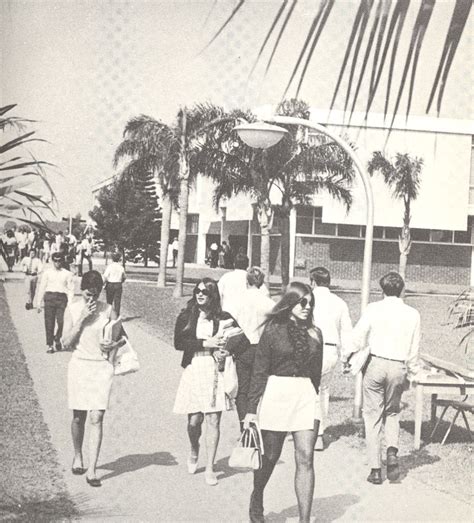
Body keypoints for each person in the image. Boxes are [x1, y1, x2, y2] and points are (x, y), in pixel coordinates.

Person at [243, 282, 323, 523]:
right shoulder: (273, 330)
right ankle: (257, 497)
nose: (307, 307)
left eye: (310, 303)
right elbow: (259, 370)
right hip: (277, 392)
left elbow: (316, 374)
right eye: (302, 302)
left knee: (306, 456)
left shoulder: (315, 333)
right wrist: (251, 409)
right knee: (270, 456)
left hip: (305, 395)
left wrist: (312, 396)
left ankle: (304, 519)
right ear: (290, 303)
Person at [348, 272, 421, 485]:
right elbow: (414, 349)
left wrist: (348, 356)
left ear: (382, 290)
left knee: (372, 417)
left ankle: (375, 469)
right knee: (393, 412)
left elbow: (358, 337)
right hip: (398, 366)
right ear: (402, 290)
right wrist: (413, 372)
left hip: (376, 364)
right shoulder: (413, 314)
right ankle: (392, 451)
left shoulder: (373, 308)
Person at [62, 270, 126, 487]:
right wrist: (82, 319)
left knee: (97, 416)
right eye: (88, 294)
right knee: (78, 416)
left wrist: (113, 345)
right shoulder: (72, 309)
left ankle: (92, 469)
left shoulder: (109, 310)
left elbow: (123, 338)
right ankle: (78, 455)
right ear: (82, 291)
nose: (91, 299)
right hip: (80, 365)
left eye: (96, 294)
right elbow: (65, 342)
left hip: (101, 368)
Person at [173, 278, 235, 486]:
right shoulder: (187, 315)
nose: (200, 294)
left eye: (205, 292)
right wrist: (204, 343)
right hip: (194, 367)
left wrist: (226, 351)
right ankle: (193, 448)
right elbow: (178, 343)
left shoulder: (223, 318)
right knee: (194, 422)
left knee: (213, 420)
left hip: (213, 370)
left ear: (212, 296)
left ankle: (210, 467)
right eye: (197, 291)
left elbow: (241, 339)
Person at [309, 266, 352, 450]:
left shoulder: (307, 299)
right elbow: (347, 332)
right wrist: (346, 358)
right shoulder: (340, 303)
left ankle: (307, 431)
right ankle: (319, 434)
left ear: (312, 281)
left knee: (307, 391)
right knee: (322, 391)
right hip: (330, 351)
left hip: (308, 349)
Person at [232, 267, 275, 430]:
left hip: (242, 347)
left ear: (246, 282)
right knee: (259, 387)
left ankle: (245, 425)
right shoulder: (269, 303)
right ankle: (257, 421)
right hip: (262, 349)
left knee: (243, 388)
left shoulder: (238, 300)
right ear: (262, 282)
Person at [35, 252, 75, 353]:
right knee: (49, 322)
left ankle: (57, 338)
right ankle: (50, 345)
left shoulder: (67, 274)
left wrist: (70, 303)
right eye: (55, 260)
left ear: (62, 261)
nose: (57, 263)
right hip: (49, 298)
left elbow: (71, 289)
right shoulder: (47, 273)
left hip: (61, 299)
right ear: (53, 261)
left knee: (62, 322)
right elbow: (42, 287)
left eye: (59, 260)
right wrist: (38, 302)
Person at [217, 253, 250, 319]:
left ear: (234, 264)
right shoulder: (250, 279)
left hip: (227, 315)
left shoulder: (225, 277)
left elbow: (217, 296)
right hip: (246, 317)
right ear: (247, 265)